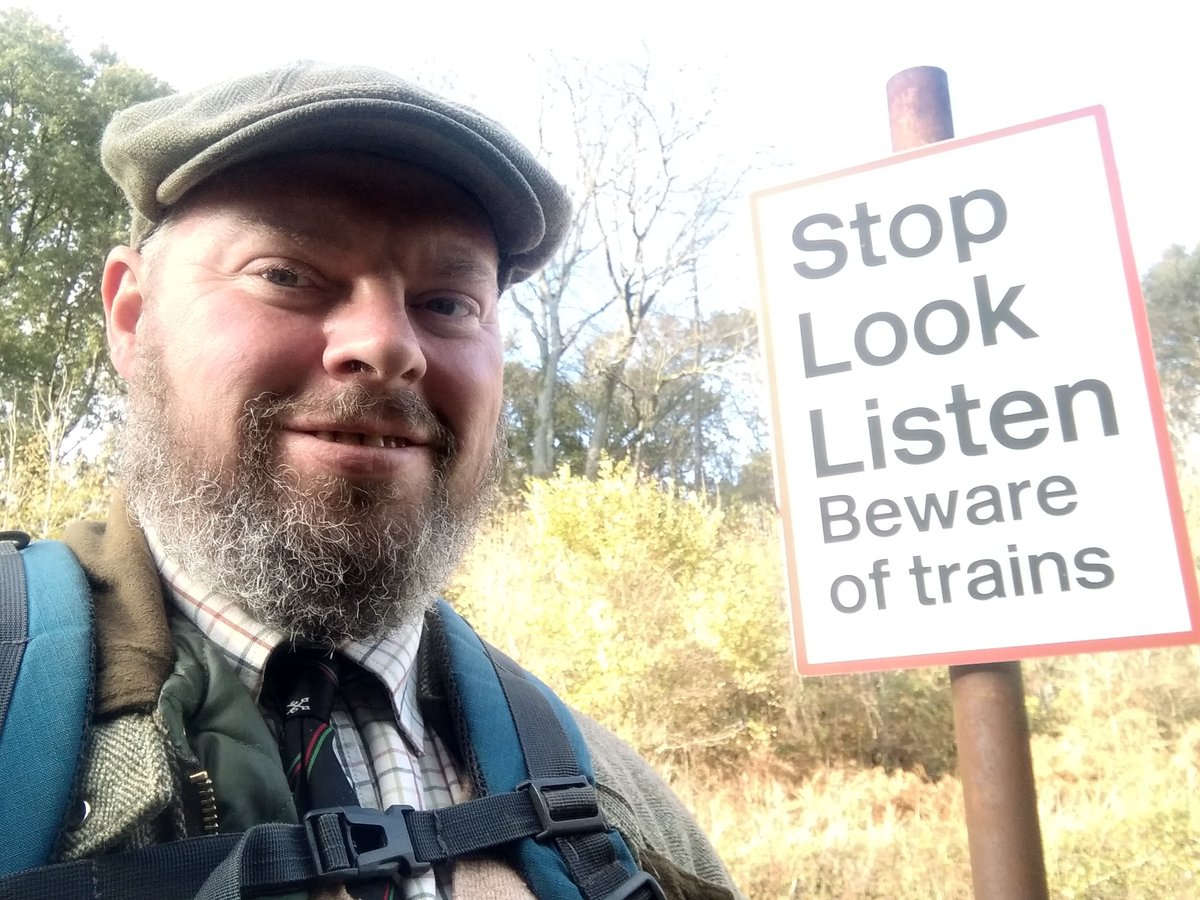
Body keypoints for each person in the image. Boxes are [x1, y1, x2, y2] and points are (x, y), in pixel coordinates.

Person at [45, 62, 738, 900]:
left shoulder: (635, 829)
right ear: (131, 314)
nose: (387, 343)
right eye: (285, 273)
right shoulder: (24, 723)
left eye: (448, 303)